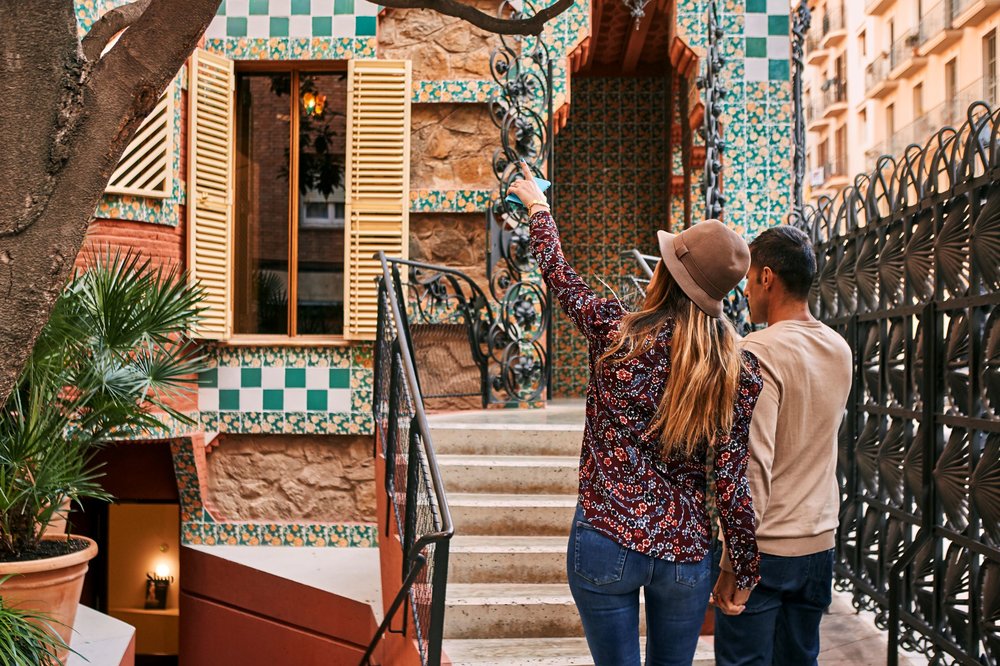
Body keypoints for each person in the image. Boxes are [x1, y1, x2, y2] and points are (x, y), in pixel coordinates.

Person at [507, 162, 764, 666]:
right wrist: (743, 567)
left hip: (606, 536)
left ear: (666, 272)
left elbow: (561, 277)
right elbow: (732, 483)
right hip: (687, 556)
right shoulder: (738, 372)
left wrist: (539, 210)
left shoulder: (617, 334)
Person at [711, 226, 853, 665]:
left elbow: (752, 466)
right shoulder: (839, 348)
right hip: (819, 545)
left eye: (749, 278)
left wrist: (734, 563)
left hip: (767, 550)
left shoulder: (758, 352)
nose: (747, 290)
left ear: (767, 277)